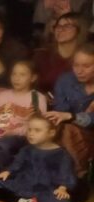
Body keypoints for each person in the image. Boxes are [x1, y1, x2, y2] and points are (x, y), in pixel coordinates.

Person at [0, 61, 49, 188]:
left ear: (33, 77)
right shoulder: (2, 95)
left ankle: (6, 175)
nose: (16, 78)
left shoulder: (37, 98)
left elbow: (39, 127)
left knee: (1, 145)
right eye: (14, 74)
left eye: (22, 74)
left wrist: (12, 132)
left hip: (20, 137)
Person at [0, 116, 78, 202]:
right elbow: (17, 164)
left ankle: (24, 201)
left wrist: (62, 188)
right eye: (29, 130)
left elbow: (65, 173)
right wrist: (7, 172)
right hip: (23, 182)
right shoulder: (26, 149)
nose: (31, 134)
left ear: (51, 133)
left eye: (37, 130)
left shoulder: (61, 155)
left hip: (46, 187)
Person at [45, 43, 94, 180]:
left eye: (86, 66)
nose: (79, 71)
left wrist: (72, 116)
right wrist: (83, 114)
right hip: (69, 131)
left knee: (67, 130)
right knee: (58, 129)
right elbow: (60, 112)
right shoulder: (65, 80)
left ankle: (71, 178)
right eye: (76, 65)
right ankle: (74, 176)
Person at [33, 12, 89, 93]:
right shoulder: (42, 55)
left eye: (67, 26)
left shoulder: (87, 56)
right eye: (58, 26)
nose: (61, 29)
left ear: (79, 30)